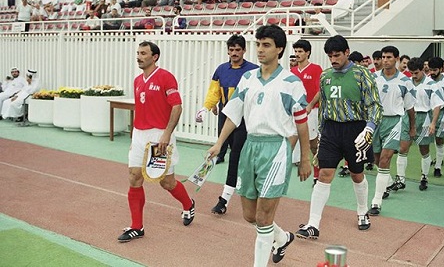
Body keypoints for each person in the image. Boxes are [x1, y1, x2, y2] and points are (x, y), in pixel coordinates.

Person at [207, 25, 311, 266]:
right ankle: (282, 237)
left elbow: (302, 124)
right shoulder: (248, 78)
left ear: (280, 49)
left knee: (264, 218)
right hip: (250, 147)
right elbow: (233, 113)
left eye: (266, 45)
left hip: (276, 150)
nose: (260, 50)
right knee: (249, 215)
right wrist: (219, 143)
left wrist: (305, 157)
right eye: (258, 44)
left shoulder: (291, 82)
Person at [296, 35, 382, 239]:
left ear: (347, 53)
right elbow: (324, 105)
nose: (333, 59)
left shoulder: (362, 74)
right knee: (324, 174)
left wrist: (369, 130)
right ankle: (312, 224)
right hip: (331, 131)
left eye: (337, 55)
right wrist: (322, 130)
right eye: (330, 56)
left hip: (356, 130)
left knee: (356, 173)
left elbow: (375, 105)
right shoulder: (325, 76)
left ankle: (362, 212)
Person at [117, 41, 195, 243]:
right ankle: (137, 227)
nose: (139, 56)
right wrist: (135, 138)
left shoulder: (165, 77)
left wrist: (166, 134)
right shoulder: (137, 80)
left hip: (159, 134)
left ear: (155, 57)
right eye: (138, 53)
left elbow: (177, 106)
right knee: (134, 176)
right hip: (139, 134)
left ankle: (188, 204)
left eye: (143, 53)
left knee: (166, 182)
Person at [196, 35, 258, 215]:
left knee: (236, 157)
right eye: (231, 50)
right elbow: (213, 92)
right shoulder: (221, 70)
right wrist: (206, 108)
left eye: (238, 50)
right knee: (221, 152)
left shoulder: (253, 71)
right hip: (225, 118)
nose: (234, 53)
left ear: (244, 50)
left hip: (244, 120)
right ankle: (240, 185)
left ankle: (223, 200)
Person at [368, 46, 416, 216]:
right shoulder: (373, 77)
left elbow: (410, 108)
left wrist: (412, 127)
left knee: (385, 159)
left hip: (394, 122)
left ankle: (376, 201)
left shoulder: (405, 81)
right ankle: (387, 183)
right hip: (375, 121)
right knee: (376, 158)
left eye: (389, 57)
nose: (385, 60)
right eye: (383, 57)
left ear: (396, 59)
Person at [388, 57, 444, 194]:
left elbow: (437, 105)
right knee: (403, 148)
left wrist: (433, 123)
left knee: (424, 150)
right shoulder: (406, 82)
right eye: (411, 73)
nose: (413, 75)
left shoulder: (432, 84)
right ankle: (400, 179)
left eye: (416, 73)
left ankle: (424, 176)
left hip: (424, 118)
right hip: (407, 117)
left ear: (422, 71)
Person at [291, 40, 323, 184]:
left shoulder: (316, 69)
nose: (297, 54)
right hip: (294, 114)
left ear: (307, 53)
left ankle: (317, 175)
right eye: (296, 51)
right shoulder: (292, 72)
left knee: (313, 145)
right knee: (289, 143)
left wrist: (310, 105)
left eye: (300, 51)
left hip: (311, 113)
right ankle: (281, 176)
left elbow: (320, 90)